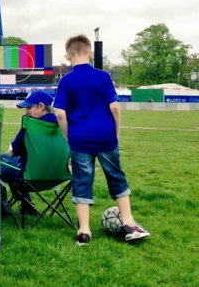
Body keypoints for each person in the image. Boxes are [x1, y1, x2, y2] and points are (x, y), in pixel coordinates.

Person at [53, 34, 150, 246]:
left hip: (80, 139)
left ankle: (84, 231)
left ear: (67, 56)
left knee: (82, 181)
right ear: (91, 54)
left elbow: (60, 113)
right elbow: (115, 107)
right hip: (106, 137)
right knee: (116, 177)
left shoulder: (66, 81)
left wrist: (69, 136)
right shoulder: (103, 76)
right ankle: (128, 223)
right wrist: (116, 131)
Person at [0, 91, 57, 213]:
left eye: (29, 107)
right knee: (7, 159)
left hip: (29, 177)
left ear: (41, 106)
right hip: (56, 175)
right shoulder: (62, 125)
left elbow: (13, 151)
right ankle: (28, 204)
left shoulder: (30, 125)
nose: (26, 112)